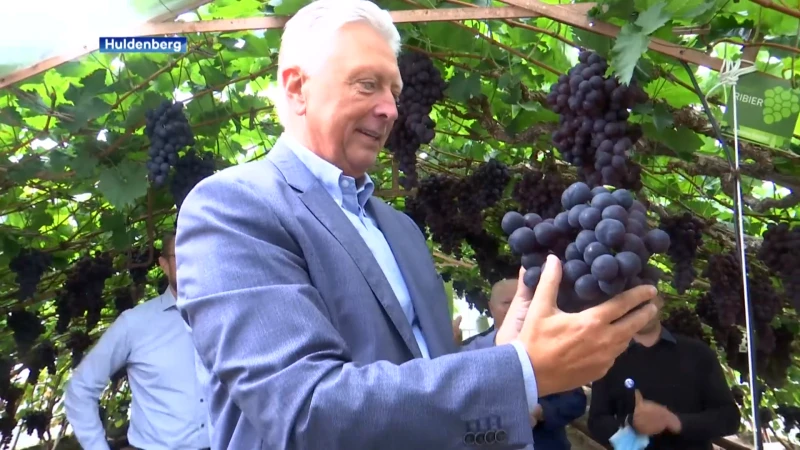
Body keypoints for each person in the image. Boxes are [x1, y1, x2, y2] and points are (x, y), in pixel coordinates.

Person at [173, 1, 658, 448]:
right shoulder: (233, 207)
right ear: (297, 87)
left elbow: (427, 371)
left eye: (395, 90)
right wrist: (520, 370)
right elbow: (305, 410)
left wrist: (506, 343)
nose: (390, 109)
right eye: (367, 84)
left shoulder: (399, 227)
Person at [64, 233, 210, 450]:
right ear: (164, 264)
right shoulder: (135, 324)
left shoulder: (227, 317)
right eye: (180, 256)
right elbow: (80, 388)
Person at [587, 295, 741, 449]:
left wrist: (674, 421)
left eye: (646, 301)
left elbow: (729, 419)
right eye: (634, 302)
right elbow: (596, 422)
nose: (641, 310)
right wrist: (631, 425)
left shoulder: (698, 354)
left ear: (660, 301)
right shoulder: (610, 358)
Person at [465, 279, 587, 449]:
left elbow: (576, 401)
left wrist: (542, 411)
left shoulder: (554, 346)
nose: (514, 309)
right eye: (507, 303)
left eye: (520, 301)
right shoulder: (470, 352)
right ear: (491, 307)